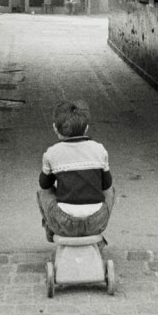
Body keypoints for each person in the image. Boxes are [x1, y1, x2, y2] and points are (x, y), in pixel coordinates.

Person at [37, 99, 115, 244]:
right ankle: (94, 234)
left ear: (55, 128)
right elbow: (106, 185)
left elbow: (44, 185)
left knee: (42, 192)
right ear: (86, 128)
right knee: (110, 190)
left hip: (64, 222)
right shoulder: (99, 149)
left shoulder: (51, 153)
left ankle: (51, 229)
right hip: (96, 221)